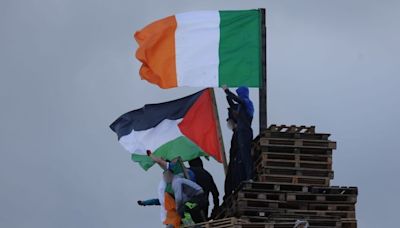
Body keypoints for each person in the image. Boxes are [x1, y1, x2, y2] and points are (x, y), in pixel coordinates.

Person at [223, 86, 254, 182]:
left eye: (239, 93)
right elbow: (233, 105)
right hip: (241, 133)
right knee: (242, 157)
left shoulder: (246, 102)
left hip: (245, 132)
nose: (238, 95)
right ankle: (246, 177)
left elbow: (237, 99)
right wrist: (227, 96)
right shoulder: (241, 106)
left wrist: (227, 91)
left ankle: (250, 177)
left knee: (246, 156)